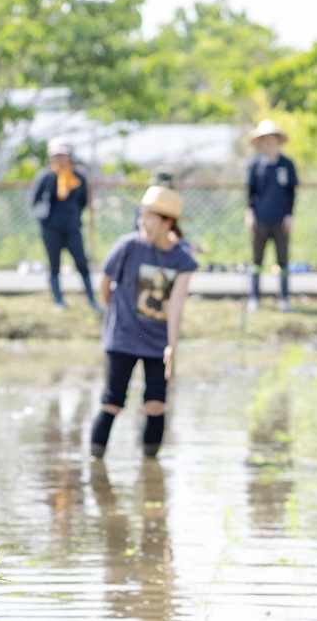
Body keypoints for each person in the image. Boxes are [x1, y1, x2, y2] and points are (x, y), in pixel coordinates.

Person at [92, 180, 196, 459]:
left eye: (149, 217)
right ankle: (95, 461)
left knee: (155, 404)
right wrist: (114, 313)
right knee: (112, 402)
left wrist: (172, 347)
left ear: (167, 222)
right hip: (122, 337)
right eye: (142, 215)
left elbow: (175, 306)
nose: (143, 222)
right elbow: (104, 283)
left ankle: (152, 471)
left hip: (156, 341)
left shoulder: (183, 260)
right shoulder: (127, 246)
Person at [30, 138, 96, 309]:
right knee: (54, 265)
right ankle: (59, 301)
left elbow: (82, 201)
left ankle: (91, 299)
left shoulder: (78, 177)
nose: (59, 159)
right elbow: (34, 201)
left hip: (73, 228)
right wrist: (45, 220)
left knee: (82, 263)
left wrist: (73, 216)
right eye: (55, 156)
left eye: (62, 155)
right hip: (51, 229)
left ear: (69, 156)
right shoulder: (46, 177)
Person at [244, 119, 298, 310]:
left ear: (278, 141)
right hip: (260, 219)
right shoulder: (255, 165)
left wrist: (289, 215)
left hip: (280, 219)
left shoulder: (287, 165)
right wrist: (249, 215)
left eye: (272, 139)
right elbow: (250, 194)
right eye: (265, 139)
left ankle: (284, 297)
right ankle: (254, 297)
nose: (269, 143)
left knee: (282, 260)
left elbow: (292, 193)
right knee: (257, 260)